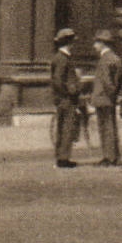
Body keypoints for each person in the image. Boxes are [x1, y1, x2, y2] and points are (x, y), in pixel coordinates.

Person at [91, 31, 122, 166]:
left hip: (104, 98)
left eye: (96, 43)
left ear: (102, 43)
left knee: (105, 128)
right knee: (110, 127)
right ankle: (114, 156)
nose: (94, 46)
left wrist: (110, 95)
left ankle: (108, 158)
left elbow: (106, 81)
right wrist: (116, 95)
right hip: (109, 98)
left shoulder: (105, 59)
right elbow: (119, 80)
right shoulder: (115, 58)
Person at [49, 28, 83, 168]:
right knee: (67, 128)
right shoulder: (63, 58)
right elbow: (57, 80)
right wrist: (69, 93)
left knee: (62, 128)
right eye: (72, 42)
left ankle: (61, 157)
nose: (73, 44)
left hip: (62, 99)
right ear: (68, 42)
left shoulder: (59, 57)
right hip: (67, 99)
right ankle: (64, 158)